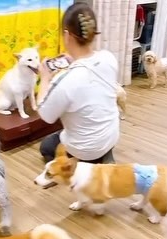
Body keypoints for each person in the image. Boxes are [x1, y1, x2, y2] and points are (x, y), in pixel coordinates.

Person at [36, 2, 120, 164]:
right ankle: (104, 157)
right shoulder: (109, 58)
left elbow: (45, 114)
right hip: (111, 137)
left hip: (84, 150)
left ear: (67, 35)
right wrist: (74, 60)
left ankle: (79, 166)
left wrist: (45, 77)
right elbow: (89, 78)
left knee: (46, 146)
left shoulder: (65, 80)